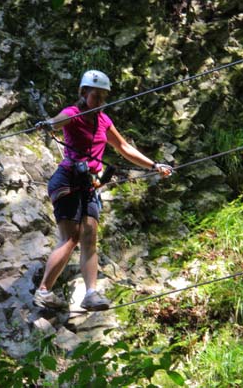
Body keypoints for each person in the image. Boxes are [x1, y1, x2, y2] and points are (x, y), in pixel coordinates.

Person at [34, 70, 173, 311]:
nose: (99, 101)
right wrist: (49, 125)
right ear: (84, 93)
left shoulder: (104, 121)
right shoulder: (74, 114)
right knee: (71, 237)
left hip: (89, 184)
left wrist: (153, 165)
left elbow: (123, 147)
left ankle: (91, 294)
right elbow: (59, 121)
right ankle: (44, 291)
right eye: (95, 96)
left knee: (89, 238)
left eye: (103, 97)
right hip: (67, 179)